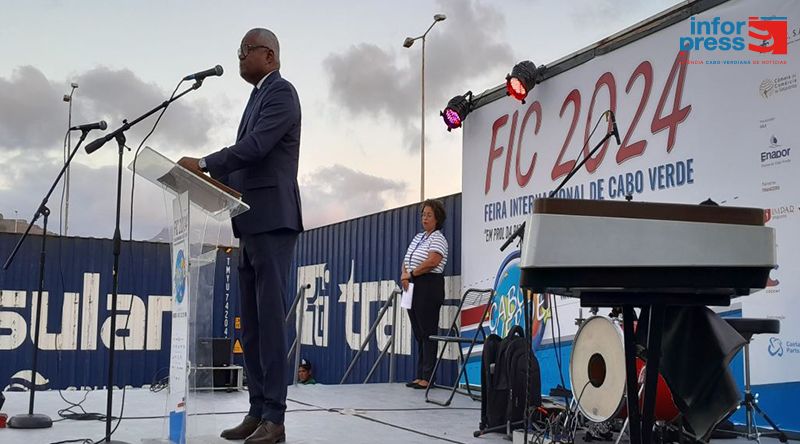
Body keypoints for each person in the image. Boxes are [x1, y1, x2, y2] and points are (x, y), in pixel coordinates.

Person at [179, 27, 302, 444]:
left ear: (268, 55)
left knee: (269, 322)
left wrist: (205, 162)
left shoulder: (282, 93)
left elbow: (256, 146)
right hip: (247, 223)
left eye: (244, 51)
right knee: (249, 326)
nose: (239, 57)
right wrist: (195, 178)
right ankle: (256, 409)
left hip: (272, 221)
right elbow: (242, 160)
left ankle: (276, 419)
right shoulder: (256, 97)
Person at [400, 199, 448, 390]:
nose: (425, 218)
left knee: (428, 332)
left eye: (429, 215)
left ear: (437, 219)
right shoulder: (418, 237)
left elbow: (432, 262)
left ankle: (428, 377)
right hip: (412, 285)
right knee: (419, 333)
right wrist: (405, 275)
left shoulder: (438, 238)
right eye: (423, 214)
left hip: (429, 285)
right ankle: (420, 374)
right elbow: (406, 259)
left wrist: (411, 273)